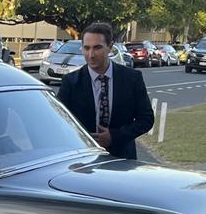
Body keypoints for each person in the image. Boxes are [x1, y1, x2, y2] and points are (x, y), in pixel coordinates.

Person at [56, 22, 154, 159]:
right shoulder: (71, 82)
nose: (91, 55)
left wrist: (115, 136)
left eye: (97, 48)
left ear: (110, 47)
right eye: (86, 48)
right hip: (84, 160)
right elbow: (60, 121)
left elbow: (146, 119)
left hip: (122, 159)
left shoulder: (132, 78)